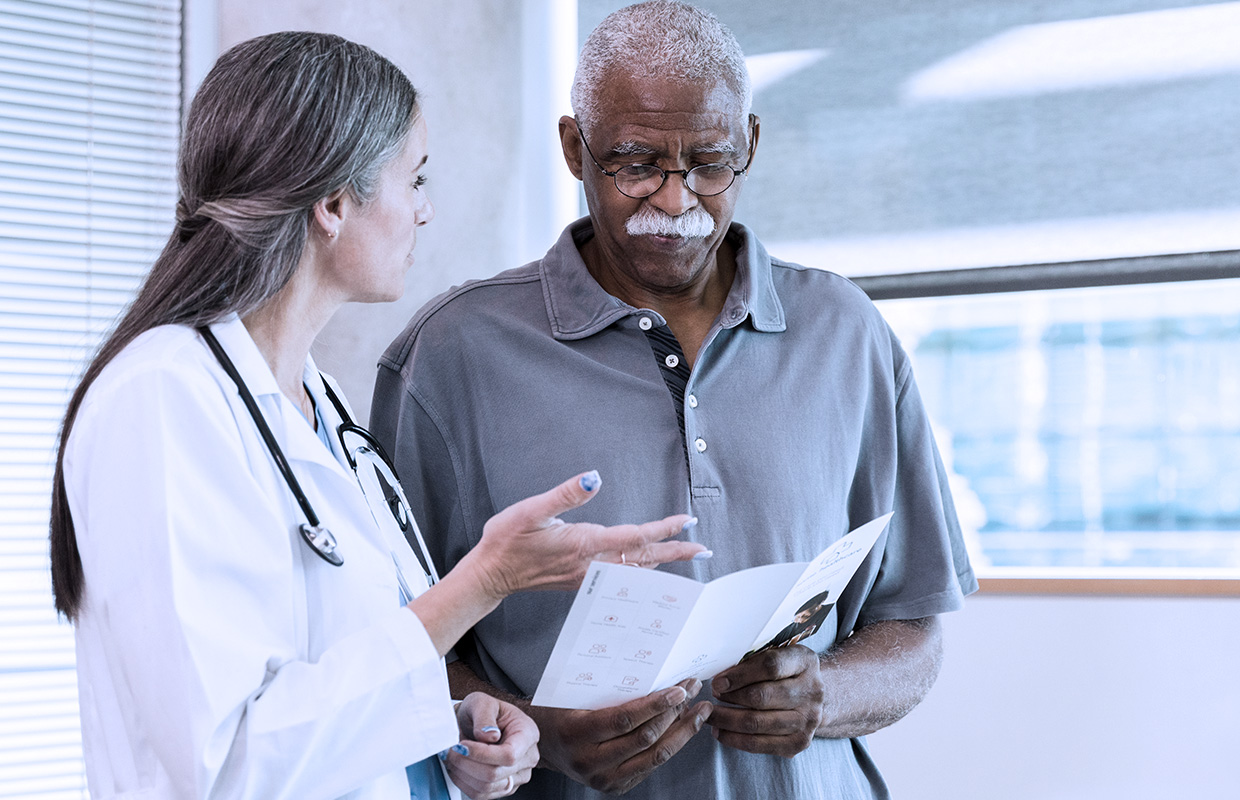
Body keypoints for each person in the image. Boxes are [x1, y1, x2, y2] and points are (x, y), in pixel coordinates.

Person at [47, 32, 708, 800]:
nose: (424, 212)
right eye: (413, 179)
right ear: (333, 203)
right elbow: (224, 764)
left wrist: (453, 723)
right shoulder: (163, 396)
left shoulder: (315, 402)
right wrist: (487, 580)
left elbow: (333, 683)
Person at [371, 2, 978, 798]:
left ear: (751, 144)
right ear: (572, 149)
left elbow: (913, 630)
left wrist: (824, 696)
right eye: (634, 164)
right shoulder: (452, 355)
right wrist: (539, 733)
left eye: (710, 164)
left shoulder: (847, 334)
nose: (674, 199)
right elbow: (385, 654)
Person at [747, 591, 837, 658]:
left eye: (804, 616)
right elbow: (771, 643)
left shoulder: (828, 608)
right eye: (797, 617)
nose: (799, 621)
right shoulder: (791, 627)